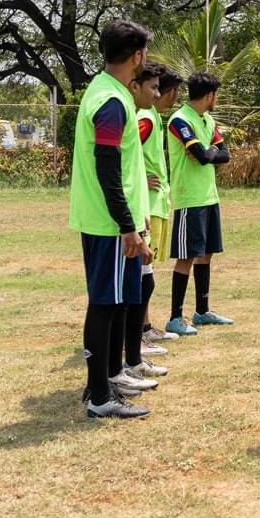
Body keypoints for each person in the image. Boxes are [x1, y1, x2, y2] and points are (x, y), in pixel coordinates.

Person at [68, 20, 154, 419]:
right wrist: (126, 225)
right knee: (104, 304)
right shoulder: (113, 102)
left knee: (115, 301)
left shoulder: (107, 92)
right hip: (109, 224)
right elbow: (107, 168)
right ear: (137, 56)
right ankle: (99, 395)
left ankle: (107, 379)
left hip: (111, 221)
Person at [105, 66, 170, 391]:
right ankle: (130, 354)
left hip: (144, 211)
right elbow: (115, 163)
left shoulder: (146, 117)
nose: (159, 94)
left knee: (140, 284)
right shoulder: (138, 118)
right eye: (154, 87)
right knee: (130, 291)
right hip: (129, 218)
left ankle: (134, 356)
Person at [165, 71, 232, 336]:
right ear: (210, 95)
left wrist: (210, 152)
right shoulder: (180, 120)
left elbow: (222, 154)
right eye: (217, 94)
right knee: (186, 257)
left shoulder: (206, 119)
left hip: (209, 196)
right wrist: (210, 152)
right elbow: (203, 155)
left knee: (206, 254)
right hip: (189, 198)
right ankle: (175, 317)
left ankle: (202, 312)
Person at [138, 66, 185, 351]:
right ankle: (138, 332)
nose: (174, 98)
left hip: (156, 202)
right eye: (173, 92)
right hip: (147, 204)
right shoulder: (145, 117)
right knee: (143, 272)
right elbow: (121, 151)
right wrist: (141, 177)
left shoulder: (154, 117)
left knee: (147, 268)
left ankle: (143, 327)